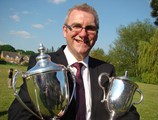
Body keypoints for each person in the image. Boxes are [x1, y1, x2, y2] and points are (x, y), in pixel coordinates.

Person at [8, 3, 140, 120]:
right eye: (77, 26)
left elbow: (128, 113)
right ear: (65, 30)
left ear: (97, 34)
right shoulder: (44, 65)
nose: (83, 34)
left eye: (90, 28)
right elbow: (18, 114)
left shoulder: (106, 70)